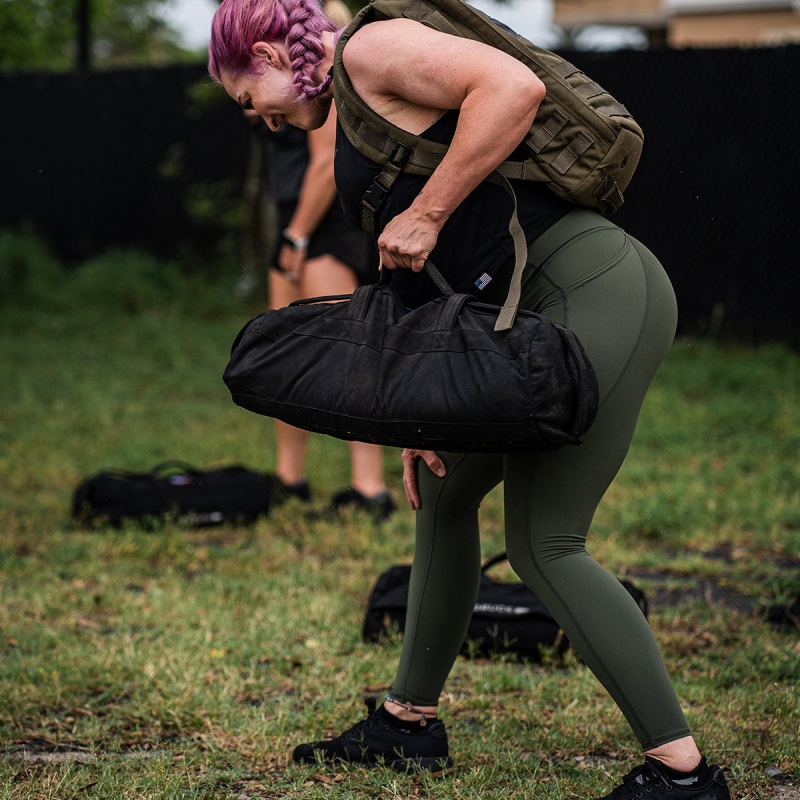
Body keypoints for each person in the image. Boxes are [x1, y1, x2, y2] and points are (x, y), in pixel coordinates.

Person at [207, 2, 732, 799]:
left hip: (595, 293)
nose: (265, 122)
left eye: (251, 99)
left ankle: (683, 771)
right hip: (525, 322)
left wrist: (427, 211)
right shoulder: (350, 113)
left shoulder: (370, 51)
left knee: (544, 541)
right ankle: (406, 724)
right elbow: (431, 267)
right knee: (442, 495)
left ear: (274, 52)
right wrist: (428, 408)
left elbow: (510, 88)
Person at [239, 0, 395, 521]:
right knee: (283, 352)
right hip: (292, 220)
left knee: (348, 352)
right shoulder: (256, 26)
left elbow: (328, 160)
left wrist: (300, 236)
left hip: (323, 224)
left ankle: (369, 488)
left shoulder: (326, 21)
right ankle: (290, 478)